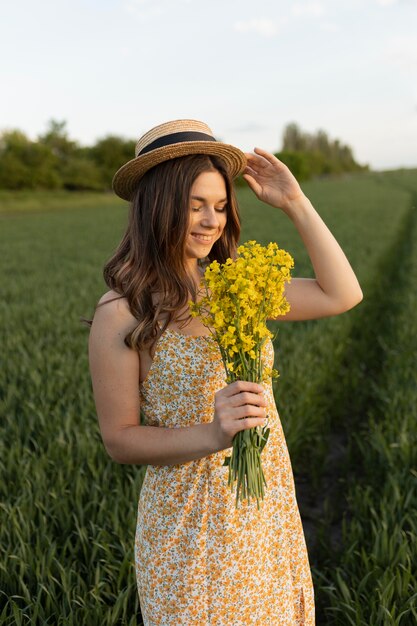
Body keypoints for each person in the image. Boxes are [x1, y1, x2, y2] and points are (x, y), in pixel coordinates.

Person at [88, 119, 363, 625]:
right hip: (187, 529)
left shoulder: (238, 285)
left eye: (219, 205)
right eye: (195, 205)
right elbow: (119, 440)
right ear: (158, 205)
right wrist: (213, 433)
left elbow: (341, 294)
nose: (211, 221)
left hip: (263, 509)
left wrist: (295, 203)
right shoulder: (122, 311)